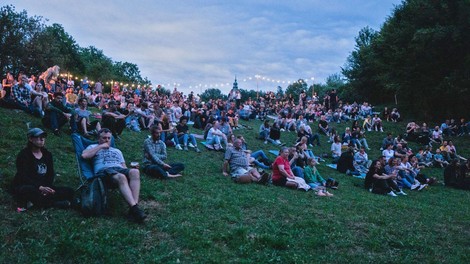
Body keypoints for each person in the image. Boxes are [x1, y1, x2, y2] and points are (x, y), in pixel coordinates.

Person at [81, 128, 146, 223]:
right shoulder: (92, 147)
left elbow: (123, 167)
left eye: (109, 138)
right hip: (104, 171)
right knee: (121, 177)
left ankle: (134, 208)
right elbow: (84, 156)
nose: (107, 140)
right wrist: (100, 146)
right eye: (104, 138)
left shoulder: (117, 151)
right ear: (98, 138)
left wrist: (132, 170)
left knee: (135, 172)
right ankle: (135, 209)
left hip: (118, 169)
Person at [11, 128, 74, 209]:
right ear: (30, 139)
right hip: (28, 185)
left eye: (43, 137)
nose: (42, 139)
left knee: (69, 191)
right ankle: (54, 204)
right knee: (28, 191)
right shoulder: (24, 155)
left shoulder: (47, 154)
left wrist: (47, 188)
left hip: (43, 186)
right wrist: (40, 188)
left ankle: (37, 203)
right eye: (38, 137)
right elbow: (23, 176)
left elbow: (50, 174)